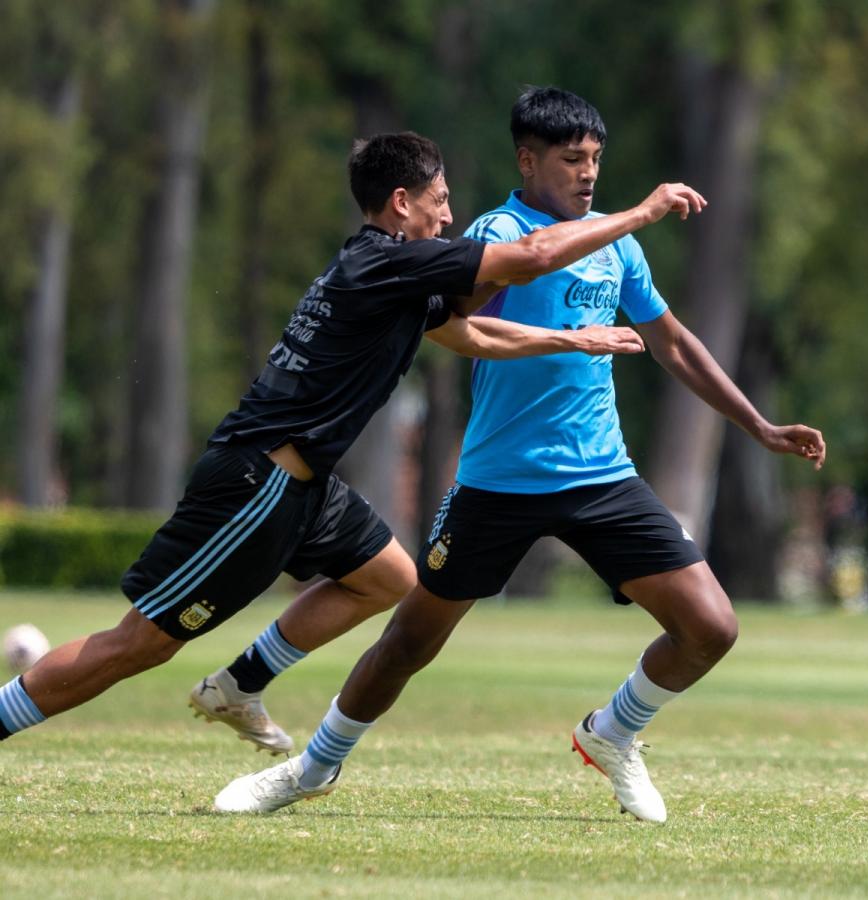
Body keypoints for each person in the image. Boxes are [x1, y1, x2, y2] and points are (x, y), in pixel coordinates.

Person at [213, 87, 822, 822]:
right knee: (409, 641)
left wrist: (758, 425)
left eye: (595, 159)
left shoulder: (614, 242)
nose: (588, 174)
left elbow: (672, 343)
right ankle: (311, 769)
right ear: (528, 161)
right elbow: (446, 325)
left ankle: (613, 733)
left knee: (710, 628)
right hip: (497, 482)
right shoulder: (496, 234)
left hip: (602, 476)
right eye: (572, 160)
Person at [0, 130, 706, 753]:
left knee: (388, 578)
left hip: (305, 484)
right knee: (140, 643)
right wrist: (639, 215)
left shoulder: (396, 271)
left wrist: (570, 338)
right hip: (259, 483)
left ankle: (241, 684)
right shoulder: (389, 262)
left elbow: (470, 331)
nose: (451, 216)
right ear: (401, 203)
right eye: (440, 200)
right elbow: (525, 257)